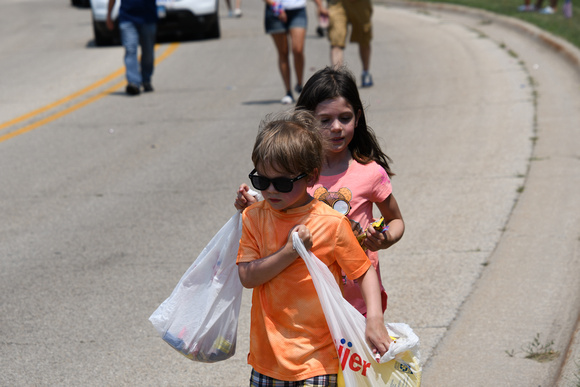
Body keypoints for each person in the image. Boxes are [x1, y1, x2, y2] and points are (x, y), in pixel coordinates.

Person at [237, 110, 392, 385]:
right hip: (267, 360)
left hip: (319, 360)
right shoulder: (254, 217)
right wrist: (290, 251)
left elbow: (363, 271)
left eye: (283, 182)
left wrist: (374, 319)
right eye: (261, 180)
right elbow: (248, 276)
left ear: (310, 177)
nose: (271, 190)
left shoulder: (330, 223)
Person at [236, 66, 405, 316]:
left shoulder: (370, 172)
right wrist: (251, 205)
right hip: (307, 299)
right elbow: (275, 208)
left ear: (357, 117)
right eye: (325, 120)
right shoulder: (294, 173)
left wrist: (385, 238)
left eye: (345, 118)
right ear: (307, 122)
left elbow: (396, 220)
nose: (336, 127)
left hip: (357, 299)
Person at [263, 0, 327, 104]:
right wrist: (277, 8)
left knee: (298, 49)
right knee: (283, 52)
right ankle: (288, 92)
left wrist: (320, 5)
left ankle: (300, 84)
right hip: (275, 10)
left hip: (298, 9)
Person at [107, 0, 158, 96]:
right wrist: (109, 16)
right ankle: (133, 82)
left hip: (148, 18)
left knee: (148, 53)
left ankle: (146, 80)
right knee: (130, 50)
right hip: (127, 18)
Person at [327, 0, 374, 87]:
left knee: (364, 38)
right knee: (336, 41)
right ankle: (337, 79)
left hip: (360, 3)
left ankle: (366, 72)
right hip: (337, 3)